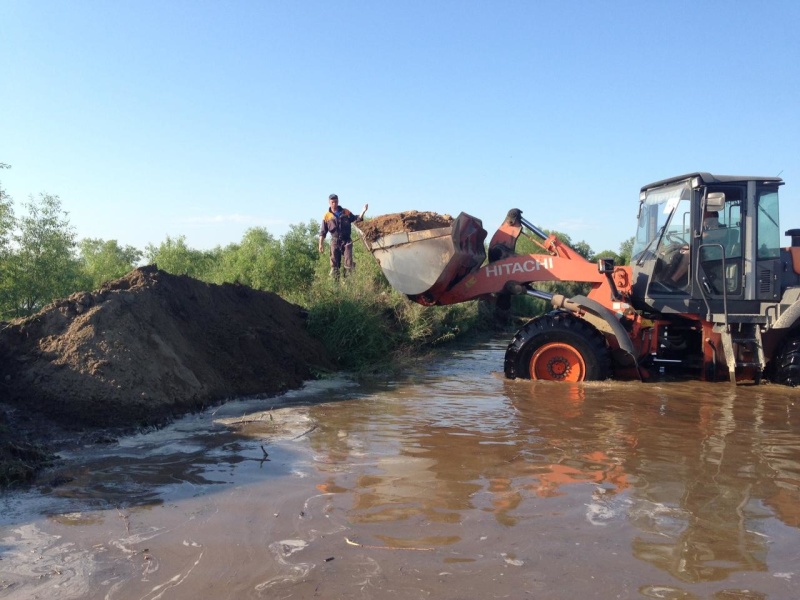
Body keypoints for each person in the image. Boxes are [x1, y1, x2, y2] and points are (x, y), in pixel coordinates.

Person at [318, 194, 368, 279]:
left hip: (347, 241)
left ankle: (347, 284)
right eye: (332, 202)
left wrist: (363, 211)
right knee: (334, 265)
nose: (334, 203)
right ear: (329, 203)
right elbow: (323, 232)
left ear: (338, 201)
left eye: (336, 201)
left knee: (348, 263)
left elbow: (357, 219)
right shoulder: (327, 216)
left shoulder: (345, 212)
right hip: (335, 241)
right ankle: (335, 287)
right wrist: (320, 244)